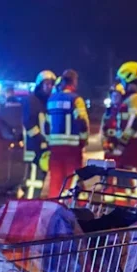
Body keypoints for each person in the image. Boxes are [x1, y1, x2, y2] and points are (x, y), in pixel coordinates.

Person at [45, 69, 89, 198]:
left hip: (54, 148)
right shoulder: (76, 100)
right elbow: (82, 121)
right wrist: (83, 141)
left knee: (56, 179)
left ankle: (53, 204)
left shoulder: (51, 100)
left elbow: (46, 124)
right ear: (74, 81)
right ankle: (72, 208)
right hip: (72, 148)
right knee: (72, 178)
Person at [114, 61, 137, 198]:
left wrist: (122, 142)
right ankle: (132, 202)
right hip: (134, 142)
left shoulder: (135, 97)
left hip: (133, 142)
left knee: (133, 173)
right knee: (129, 173)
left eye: (122, 80)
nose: (121, 83)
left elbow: (134, 122)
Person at [21, 70, 56, 199]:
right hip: (34, 150)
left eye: (51, 84)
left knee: (39, 181)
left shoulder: (49, 102)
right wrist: (40, 140)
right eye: (46, 84)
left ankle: (31, 205)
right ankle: (28, 210)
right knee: (33, 182)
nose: (49, 87)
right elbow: (28, 123)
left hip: (45, 149)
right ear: (39, 84)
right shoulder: (31, 101)